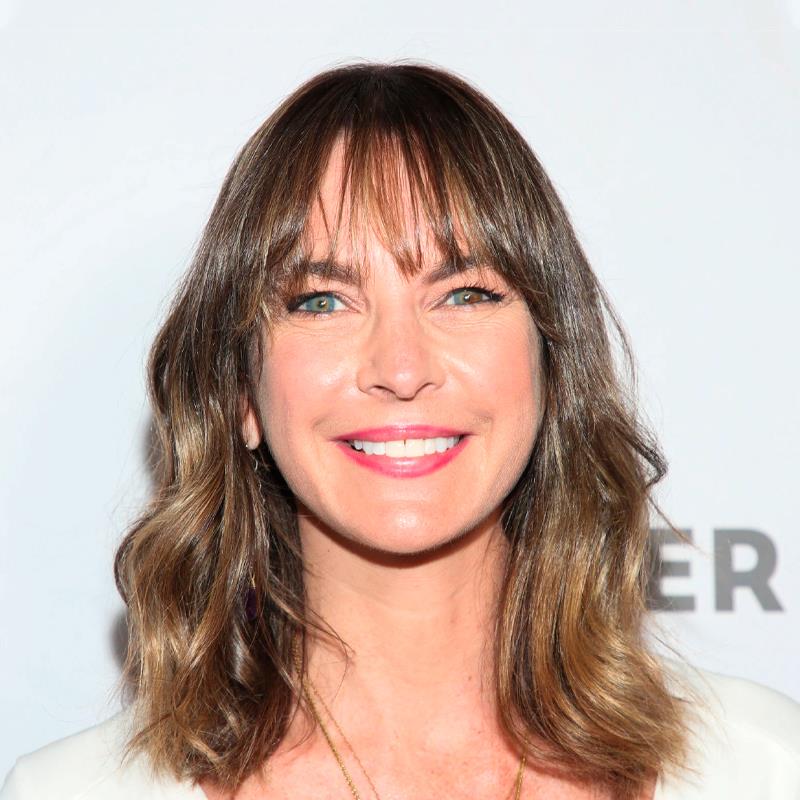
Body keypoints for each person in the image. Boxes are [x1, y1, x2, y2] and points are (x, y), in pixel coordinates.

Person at [2, 61, 798, 800]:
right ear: (240, 392)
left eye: (464, 293)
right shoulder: (66, 792)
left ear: (552, 363)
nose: (401, 366)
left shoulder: (760, 766)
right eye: (322, 301)